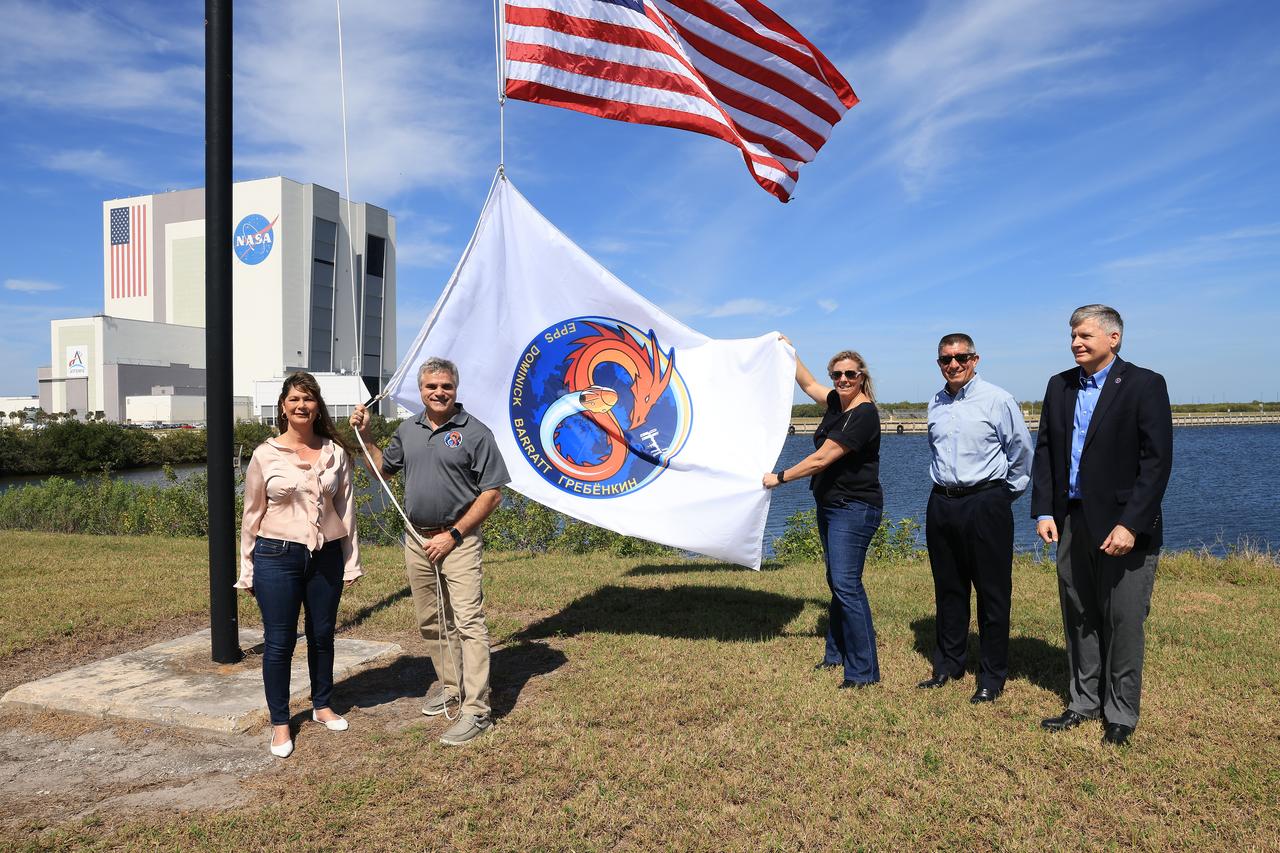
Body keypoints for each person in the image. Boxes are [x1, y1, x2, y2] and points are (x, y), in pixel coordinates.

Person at [1032, 305, 1172, 746]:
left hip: (1123, 526)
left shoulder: (1145, 384)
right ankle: (1083, 701)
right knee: (1079, 614)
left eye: (1085, 335)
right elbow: (1046, 451)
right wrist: (1045, 511)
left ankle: (1121, 713)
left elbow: (1156, 463)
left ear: (1114, 338)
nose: (1076, 342)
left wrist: (1132, 523)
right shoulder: (1060, 386)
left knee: (1123, 619)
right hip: (1071, 520)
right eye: (1072, 335)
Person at [350, 357, 510, 745]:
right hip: (417, 540)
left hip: (457, 541)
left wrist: (453, 535)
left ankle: (476, 710)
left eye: (446, 387)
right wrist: (367, 436)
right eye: (431, 387)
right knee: (432, 621)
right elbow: (381, 473)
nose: (438, 393)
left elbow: (492, 494)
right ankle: (451, 687)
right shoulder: (409, 429)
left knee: (469, 622)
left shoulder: (475, 433)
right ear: (421, 391)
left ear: (456, 389)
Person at [237, 372, 362, 759]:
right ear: (283, 406)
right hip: (276, 555)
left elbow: (346, 509)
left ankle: (321, 705)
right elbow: (252, 512)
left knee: (322, 634)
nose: (301, 406)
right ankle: (280, 722)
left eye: (308, 399)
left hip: (325, 555)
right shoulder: (265, 454)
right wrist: (247, 568)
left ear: (317, 406)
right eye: (294, 400)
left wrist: (351, 561)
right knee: (279, 642)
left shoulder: (335, 453)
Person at [919, 334, 1033, 704]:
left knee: (992, 593)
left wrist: (1002, 495)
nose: (953, 365)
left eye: (961, 357)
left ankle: (991, 674)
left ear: (975, 359)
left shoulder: (998, 400)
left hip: (986, 502)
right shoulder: (935, 402)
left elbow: (1021, 452)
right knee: (948, 589)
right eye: (945, 359)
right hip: (942, 503)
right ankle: (949, 664)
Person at [764, 343, 884, 689]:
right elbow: (806, 383)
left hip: (854, 509)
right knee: (837, 582)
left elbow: (822, 459)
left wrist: (780, 477)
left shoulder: (864, 415)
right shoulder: (836, 403)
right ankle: (836, 654)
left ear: (862, 377)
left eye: (850, 374)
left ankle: (862, 673)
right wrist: (787, 350)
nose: (843, 379)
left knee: (847, 584)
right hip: (831, 506)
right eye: (838, 375)